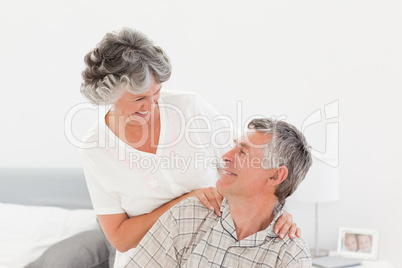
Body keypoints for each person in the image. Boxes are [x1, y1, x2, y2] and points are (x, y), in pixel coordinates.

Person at [29, 28, 298, 268]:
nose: (150, 106)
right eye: (139, 98)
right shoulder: (95, 148)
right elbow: (120, 238)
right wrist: (187, 201)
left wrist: (278, 212)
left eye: (156, 92)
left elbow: (251, 167)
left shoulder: (189, 107)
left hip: (212, 253)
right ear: (109, 95)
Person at [124, 118, 313, 268]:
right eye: (234, 147)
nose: (225, 156)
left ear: (275, 176)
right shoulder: (187, 216)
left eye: (242, 152)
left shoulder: (291, 257)